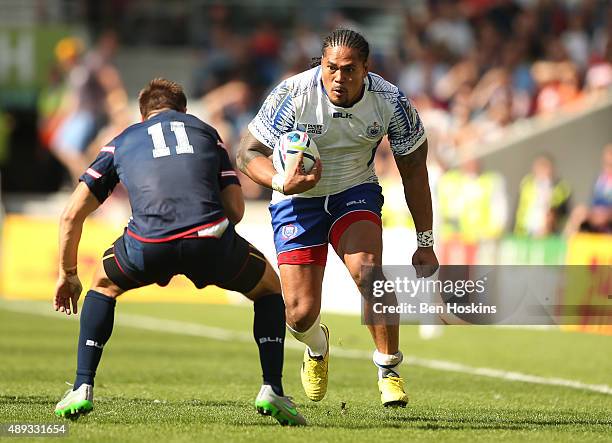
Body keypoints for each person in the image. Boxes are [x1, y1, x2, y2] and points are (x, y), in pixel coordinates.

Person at [52, 78, 306, 426]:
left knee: (103, 285)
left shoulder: (121, 141)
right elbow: (235, 210)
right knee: (268, 287)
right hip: (210, 240)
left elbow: (71, 215)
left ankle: (82, 386)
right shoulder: (207, 132)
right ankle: (272, 388)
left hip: (149, 243)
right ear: (183, 111)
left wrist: (67, 274)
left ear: (144, 116)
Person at [237, 29, 439, 407]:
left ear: (366, 69)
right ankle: (317, 347)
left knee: (369, 270)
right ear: (322, 65)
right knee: (298, 313)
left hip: (354, 192)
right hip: (297, 199)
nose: (339, 78)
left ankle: (388, 369)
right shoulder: (293, 94)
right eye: (331, 68)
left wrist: (424, 243)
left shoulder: (391, 101)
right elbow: (247, 153)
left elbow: (414, 171)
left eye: (349, 70)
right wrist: (282, 181)